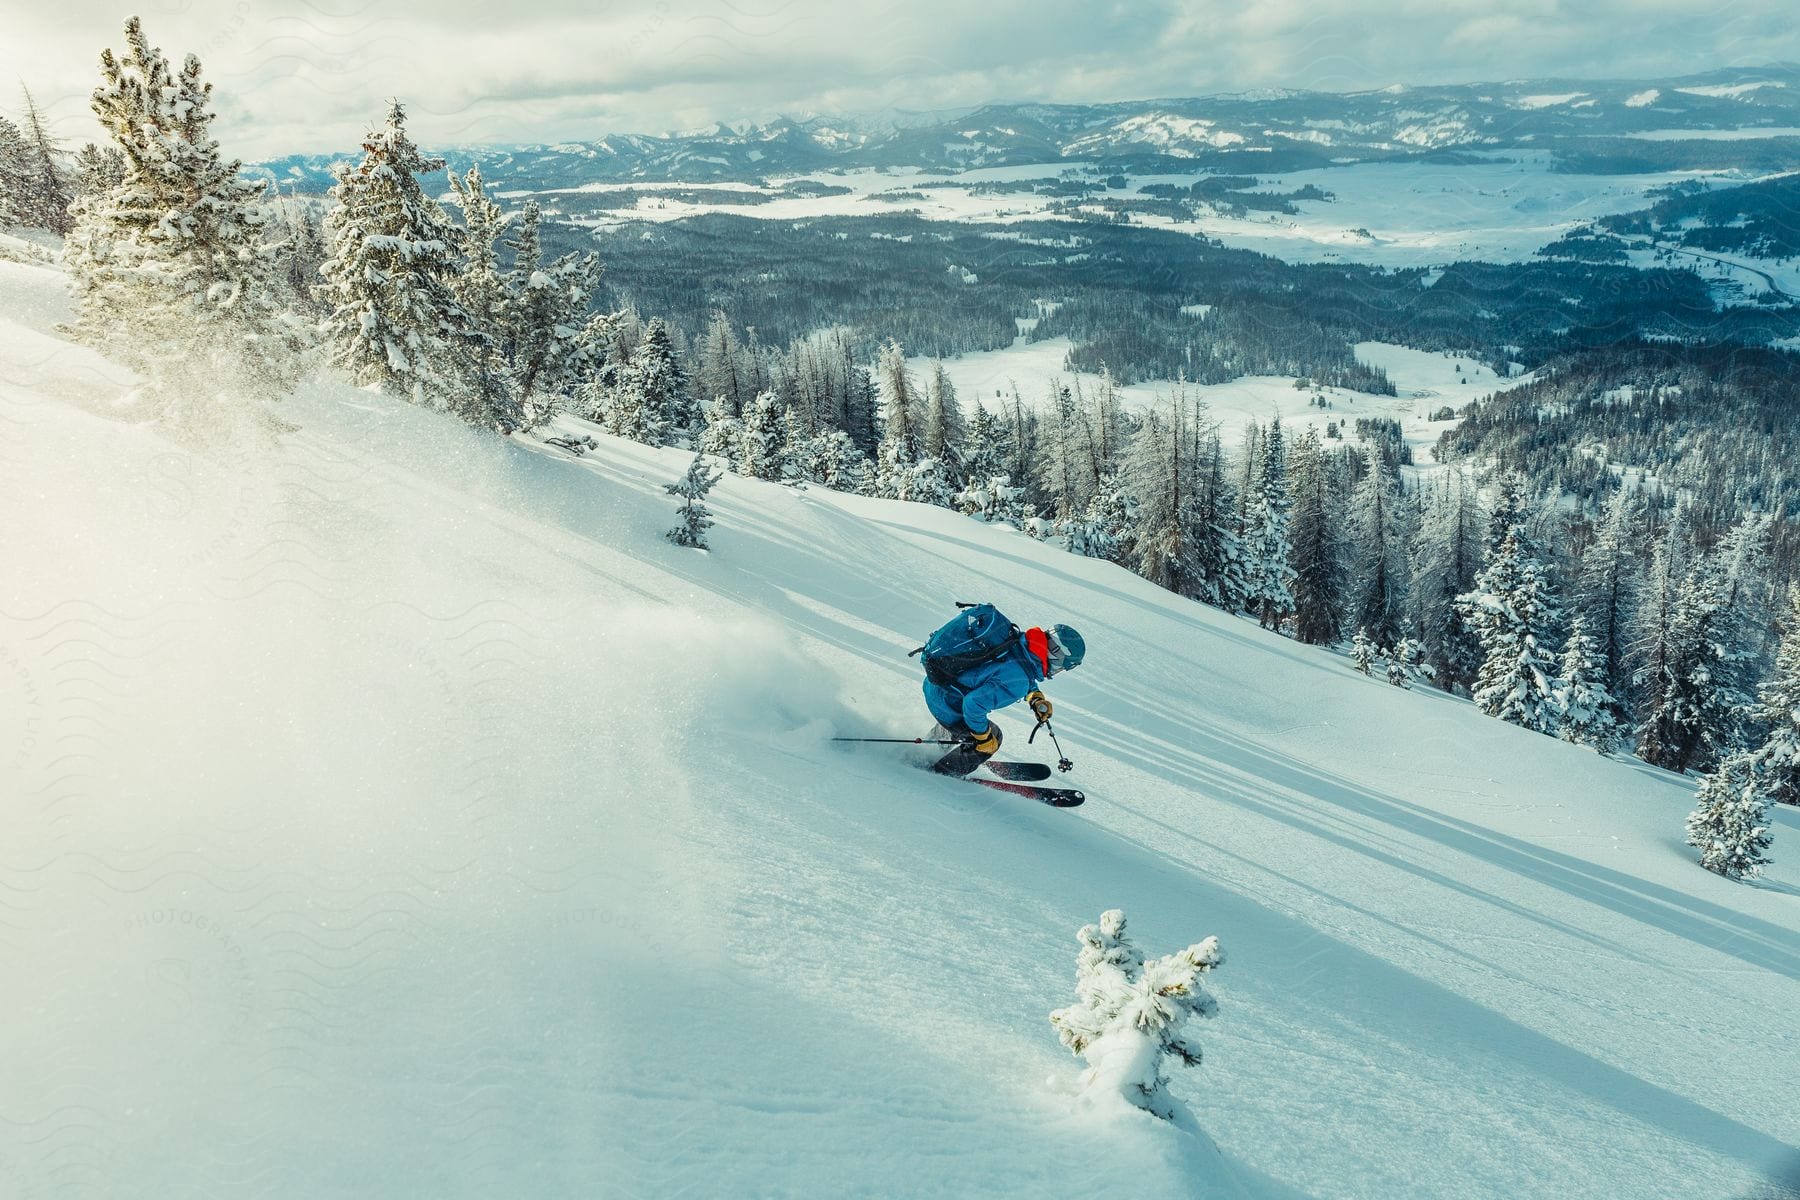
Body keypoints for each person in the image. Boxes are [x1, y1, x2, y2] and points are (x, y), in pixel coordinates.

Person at [923, 623, 1085, 775]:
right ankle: (941, 773)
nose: (1056, 671)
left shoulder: (1019, 643)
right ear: (1055, 655)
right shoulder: (1019, 680)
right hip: (947, 702)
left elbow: (1013, 670)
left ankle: (929, 749)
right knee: (992, 738)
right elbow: (974, 705)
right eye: (1060, 666)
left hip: (937, 685)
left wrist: (1034, 696)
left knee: (965, 722)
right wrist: (983, 738)